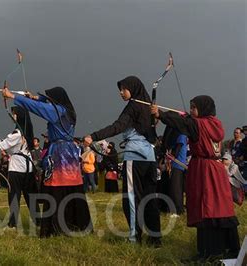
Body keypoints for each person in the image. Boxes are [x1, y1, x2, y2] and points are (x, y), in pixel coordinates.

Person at [151, 95, 240, 260]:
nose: (191, 111)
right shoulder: (215, 123)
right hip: (217, 169)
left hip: (205, 170)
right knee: (221, 207)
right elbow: (185, 121)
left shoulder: (197, 124)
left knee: (206, 207)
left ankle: (209, 253)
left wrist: (160, 114)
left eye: (194, 107)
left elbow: (181, 123)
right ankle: (228, 249)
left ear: (203, 108)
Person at [3, 85, 92, 237]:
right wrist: (35, 97)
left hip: (59, 154)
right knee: (72, 188)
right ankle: (75, 224)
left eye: (50, 99)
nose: (48, 102)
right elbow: (43, 103)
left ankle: (57, 228)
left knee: (56, 189)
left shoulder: (57, 111)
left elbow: (38, 108)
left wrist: (13, 96)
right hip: (69, 154)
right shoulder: (67, 111)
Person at [84, 76, 160, 246]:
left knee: (132, 199)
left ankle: (134, 238)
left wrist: (93, 136)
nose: (121, 92)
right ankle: (156, 239)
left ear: (133, 88)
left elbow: (117, 126)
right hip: (149, 158)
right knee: (150, 198)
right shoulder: (148, 106)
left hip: (135, 158)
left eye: (123, 89)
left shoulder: (133, 106)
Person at [0, 106, 40, 229]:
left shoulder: (17, 133)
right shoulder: (28, 131)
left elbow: (4, 144)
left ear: (18, 116)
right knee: (30, 197)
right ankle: (38, 222)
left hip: (17, 169)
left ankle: (13, 224)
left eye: (15, 114)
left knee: (14, 196)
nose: (13, 116)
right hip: (28, 169)